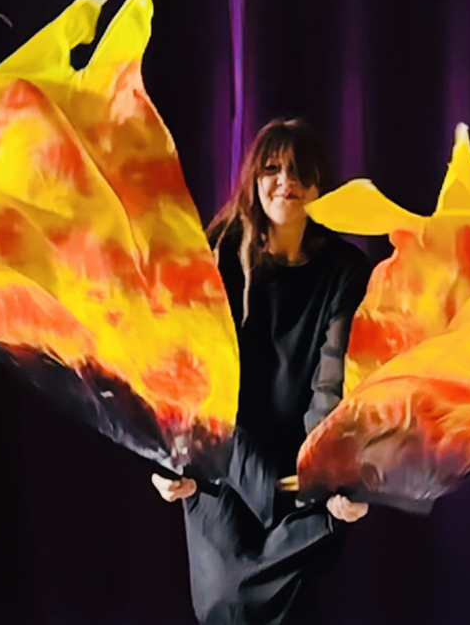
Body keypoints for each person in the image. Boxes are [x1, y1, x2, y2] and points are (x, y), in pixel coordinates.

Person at [152, 118, 371, 625]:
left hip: (302, 476)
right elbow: (191, 368)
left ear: (320, 183)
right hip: (224, 465)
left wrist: (322, 477)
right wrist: (172, 459)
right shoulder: (220, 252)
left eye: (298, 171)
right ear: (253, 179)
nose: (285, 182)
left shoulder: (345, 269)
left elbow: (332, 381)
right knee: (227, 603)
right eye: (272, 169)